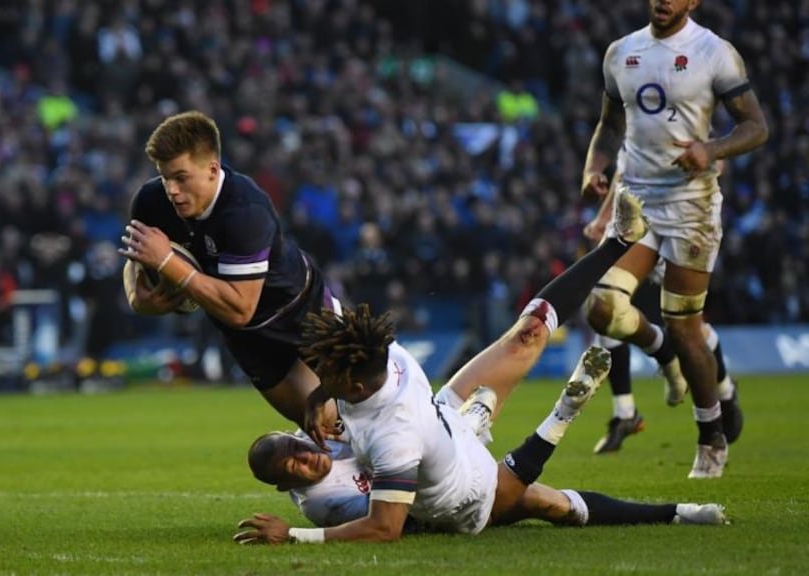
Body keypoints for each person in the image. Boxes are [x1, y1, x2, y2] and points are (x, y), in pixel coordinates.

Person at [232, 190, 726, 544]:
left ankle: (618, 241)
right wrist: (322, 400)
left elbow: (380, 519)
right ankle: (676, 512)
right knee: (552, 506)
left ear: (357, 380)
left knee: (528, 331)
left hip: (437, 417)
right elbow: (388, 524)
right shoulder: (387, 398)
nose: (321, 383)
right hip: (465, 494)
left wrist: (295, 533)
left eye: (328, 380)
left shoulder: (380, 386)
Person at [579, 0, 767, 477]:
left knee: (687, 327)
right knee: (601, 308)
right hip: (637, 203)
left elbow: (756, 127)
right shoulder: (621, 52)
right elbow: (610, 125)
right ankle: (662, 354)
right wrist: (594, 167)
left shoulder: (714, 52)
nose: (663, 1)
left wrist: (712, 149)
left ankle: (711, 436)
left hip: (692, 209)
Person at [243, 379, 725, 538]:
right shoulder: (323, 504)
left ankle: (470, 424)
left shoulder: (322, 438)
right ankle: (559, 413)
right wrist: (297, 537)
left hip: (434, 457)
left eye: (302, 451)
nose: (311, 460)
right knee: (544, 502)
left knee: (540, 500)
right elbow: (394, 520)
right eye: (298, 469)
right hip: (441, 506)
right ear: (290, 487)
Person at [120, 110, 340, 428]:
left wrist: (168, 262)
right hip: (246, 337)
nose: (172, 190)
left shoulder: (245, 210)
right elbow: (138, 257)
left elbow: (241, 307)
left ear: (212, 169)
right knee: (325, 427)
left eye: (181, 177)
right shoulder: (151, 201)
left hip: (300, 309)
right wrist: (136, 296)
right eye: (165, 177)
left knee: (367, 404)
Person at [583, 157, 742, 454]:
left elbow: (718, 158)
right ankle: (625, 412)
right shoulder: (636, 116)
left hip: (681, 220)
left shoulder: (687, 114)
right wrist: (605, 216)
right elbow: (625, 164)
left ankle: (725, 390)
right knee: (605, 306)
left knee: (687, 327)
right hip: (637, 217)